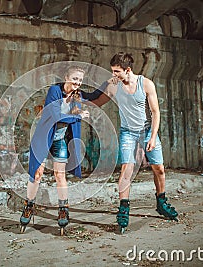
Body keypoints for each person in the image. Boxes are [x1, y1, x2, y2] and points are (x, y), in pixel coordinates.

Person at [83, 52, 178, 232]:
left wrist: (152, 137)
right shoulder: (113, 86)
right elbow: (97, 102)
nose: (113, 75)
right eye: (112, 71)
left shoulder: (146, 84)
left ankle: (161, 202)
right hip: (128, 133)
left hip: (148, 131)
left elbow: (156, 112)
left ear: (128, 70)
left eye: (116, 71)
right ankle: (124, 209)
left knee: (159, 169)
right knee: (127, 168)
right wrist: (78, 103)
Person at [19, 66, 90, 234]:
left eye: (80, 80)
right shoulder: (54, 91)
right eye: (74, 78)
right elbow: (56, 116)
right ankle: (29, 205)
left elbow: (97, 96)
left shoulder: (77, 97)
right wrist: (78, 116)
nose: (77, 82)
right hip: (43, 138)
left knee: (60, 175)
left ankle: (63, 208)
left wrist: (111, 83)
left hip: (59, 140)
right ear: (66, 77)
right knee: (37, 174)